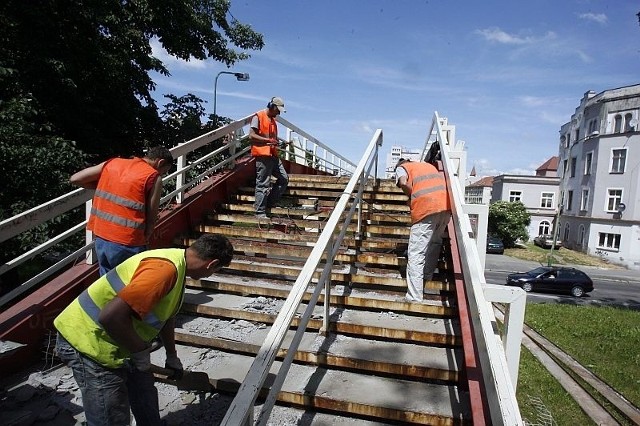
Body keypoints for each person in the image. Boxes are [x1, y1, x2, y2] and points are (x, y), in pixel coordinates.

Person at [54, 233, 234, 426]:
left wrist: (171, 355)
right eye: (216, 271)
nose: (211, 275)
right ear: (211, 264)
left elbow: (166, 315)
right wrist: (140, 351)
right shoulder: (163, 271)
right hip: (90, 341)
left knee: (144, 392)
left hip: (121, 340)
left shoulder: (179, 264)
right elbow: (110, 317)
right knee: (111, 416)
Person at [70, 146, 174, 276]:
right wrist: (146, 237)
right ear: (161, 162)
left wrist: (105, 185)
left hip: (101, 235)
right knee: (129, 283)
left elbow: (75, 178)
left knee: (106, 282)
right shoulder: (152, 177)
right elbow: (151, 218)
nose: (162, 175)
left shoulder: (113, 163)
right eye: (164, 171)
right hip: (128, 241)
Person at [395, 158, 451, 302]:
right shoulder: (427, 166)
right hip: (445, 207)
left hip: (426, 207)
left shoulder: (403, 168)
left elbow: (402, 182)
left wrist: (411, 196)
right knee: (434, 244)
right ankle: (426, 277)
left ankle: (414, 296)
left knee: (416, 253)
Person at [249, 96, 289, 219]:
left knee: (284, 179)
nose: (278, 113)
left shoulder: (273, 121)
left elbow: (272, 140)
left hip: (273, 154)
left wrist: (278, 143)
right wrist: (268, 140)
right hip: (263, 155)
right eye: (278, 111)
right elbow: (251, 135)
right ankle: (260, 212)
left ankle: (268, 203)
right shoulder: (258, 116)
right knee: (263, 184)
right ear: (272, 107)